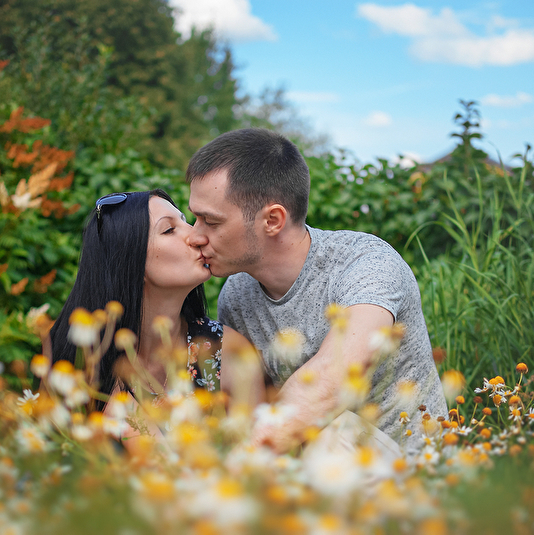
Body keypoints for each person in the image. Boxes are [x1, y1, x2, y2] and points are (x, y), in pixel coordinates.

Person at [185, 128, 448, 455]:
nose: (194, 236)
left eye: (210, 222)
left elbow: (331, 382)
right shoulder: (237, 295)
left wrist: (234, 472)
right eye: (195, 218)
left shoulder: (366, 263)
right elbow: (253, 409)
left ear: (273, 220)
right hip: (310, 473)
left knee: (333, 429)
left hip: (415, 470)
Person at [49, 189, 259, 423]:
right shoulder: (81, 362)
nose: (196, 236)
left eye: (185, 222)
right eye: (169, 230)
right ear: (132, 261)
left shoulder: (226, 352)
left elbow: (262, 442)